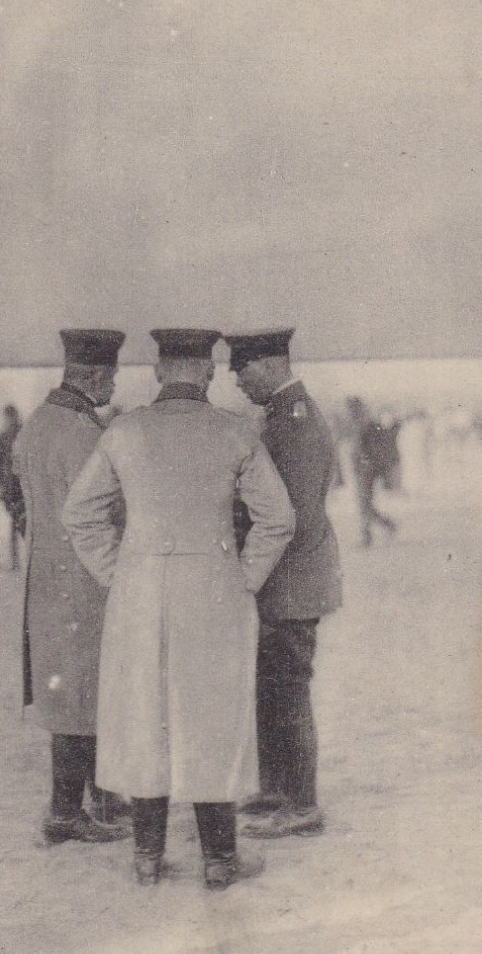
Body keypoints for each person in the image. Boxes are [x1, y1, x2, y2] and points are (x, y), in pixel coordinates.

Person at [62, 328, 295, 889]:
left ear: (160, 371)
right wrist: (244, 578)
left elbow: (80, 516)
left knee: (146, 711)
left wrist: (120, 574)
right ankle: (218, 860)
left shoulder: (124, 431)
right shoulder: (235, 431)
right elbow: (278, 519)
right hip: (213, 590)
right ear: (209, 372)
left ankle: (147, 856)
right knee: (209, 715)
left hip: (140, 591)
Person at [12, 329, 129, 846]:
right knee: (84, 696)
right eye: (112, 375)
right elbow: (105, 509)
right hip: (86, 581)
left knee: (72, 693)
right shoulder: (85, 435)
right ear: (93, 375)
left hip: (46, 580)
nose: (114, 384)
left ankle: (98, 799)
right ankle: (66, 813)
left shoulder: (34, 427)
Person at [225, 329, 343, 839]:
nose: (235, 379)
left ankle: (300, 804)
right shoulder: (283, 414)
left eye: (241, 369)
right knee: (273, 687)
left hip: (291, 579)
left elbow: (283, 515)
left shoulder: (291, 422)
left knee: (287, 689)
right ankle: (277, 789)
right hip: (287, 579)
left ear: (269, 365)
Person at [347, 396, 399, 547]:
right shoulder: (360, 424)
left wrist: (367, 464)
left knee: (363, 503)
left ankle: (367, 537)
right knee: (364, 504)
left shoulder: (367, 424)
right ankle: (387, 525)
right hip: (361, 470)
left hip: (366, 470)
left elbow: (374, 448)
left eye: (351, 409)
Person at [0, 405, 26, 570]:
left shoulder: (25, 433)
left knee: (24, 522)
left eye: (10, 417)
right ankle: (15, 559)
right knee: (15, 522)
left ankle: (25, 559)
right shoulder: (3, 438)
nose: (8, 421)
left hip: (23, 485)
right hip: (10, 487)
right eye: (6, 418)